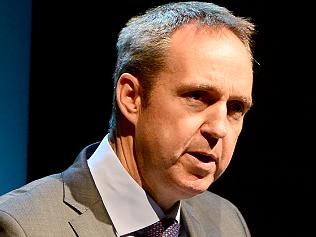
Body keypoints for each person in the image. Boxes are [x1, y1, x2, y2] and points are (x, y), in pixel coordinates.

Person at [0, 1, 256, 236]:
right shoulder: (22, 226)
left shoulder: (227, 223)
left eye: (235, 108)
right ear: (131, 97)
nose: (219, 128)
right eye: (197, 97)